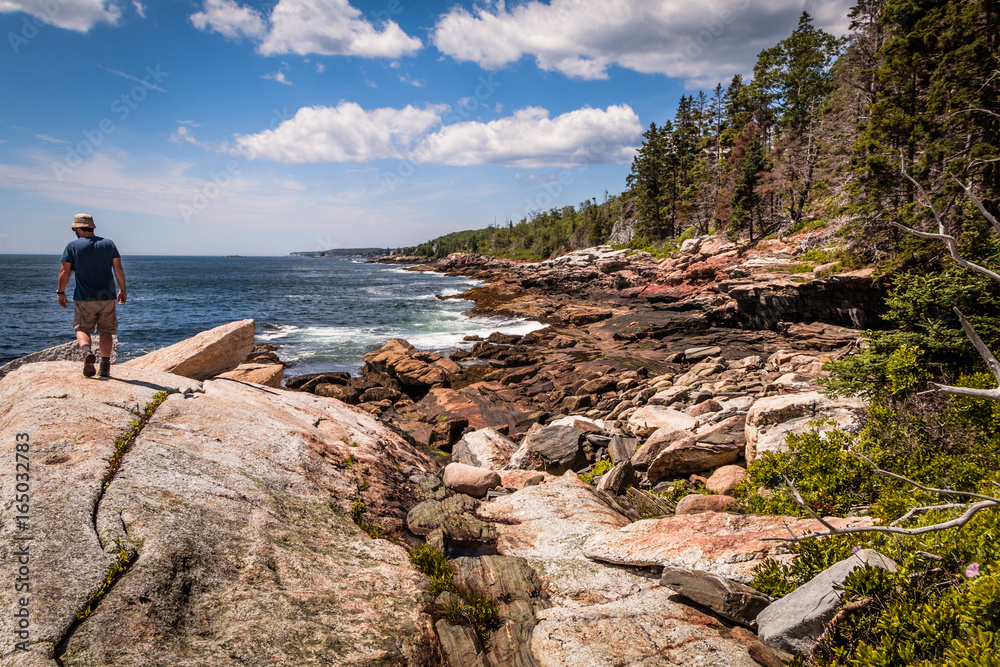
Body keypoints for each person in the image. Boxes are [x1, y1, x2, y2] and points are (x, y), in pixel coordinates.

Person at [56, 214, 127, 378]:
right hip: (107, 297)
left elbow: (65, 272)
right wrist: (123, 290)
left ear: (78, 229)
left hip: (84, 297)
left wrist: (60, 292)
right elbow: (118, 269)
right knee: (106, 331)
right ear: (93, 228)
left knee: (82, 328)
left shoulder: (72, 246)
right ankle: (105, 367)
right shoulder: (108, 244)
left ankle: (87, 351)